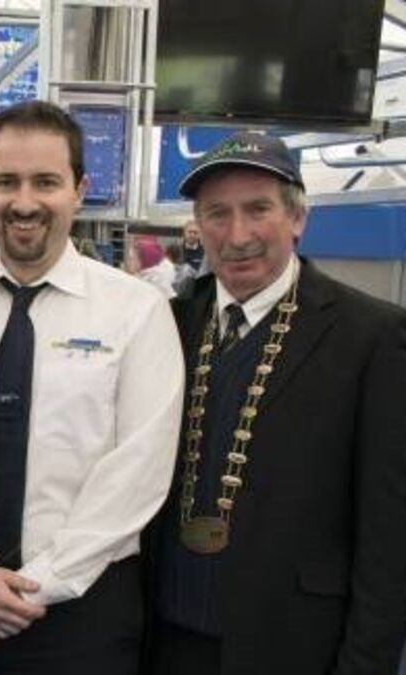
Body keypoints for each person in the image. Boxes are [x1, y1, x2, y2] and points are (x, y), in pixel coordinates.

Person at [0, 100, 184, 675]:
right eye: (6, 182)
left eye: (46, 182)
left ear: (79, 190)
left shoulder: (137, 312)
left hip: (83, 613)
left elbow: (139, 469)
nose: (25, 202)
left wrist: (44, 581)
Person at [143, 132, 406, 674]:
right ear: (197, 225)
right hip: (163, 641)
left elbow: (388, 533)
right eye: (218, 213)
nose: (237, 235)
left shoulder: (371, 337)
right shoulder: (168, 324)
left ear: (298, 218)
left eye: (258, 209)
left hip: (293, 646)